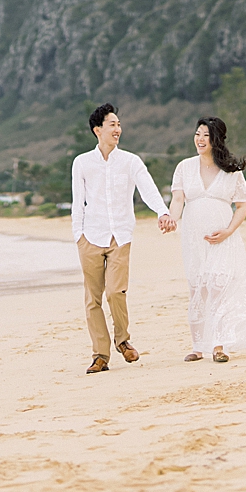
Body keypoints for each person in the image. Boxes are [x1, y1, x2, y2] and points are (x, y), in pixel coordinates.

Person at [71, 102, 176, 374]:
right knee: (92, 299)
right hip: (90, 237)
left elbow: (148, 190)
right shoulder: (82, 162)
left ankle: (123, 340)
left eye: (118, 124)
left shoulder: (131, 161)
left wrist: (163, 212)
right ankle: (100, 355)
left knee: (115, 291)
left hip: (121, 236)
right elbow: (77, 202)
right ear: (98, 130)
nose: (118, 129)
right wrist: (78, 236)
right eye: (112, 125)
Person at [167, 116, 246, 363]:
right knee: (197, 288)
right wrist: (171, 219)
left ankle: (218, 346)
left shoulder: (231, 172)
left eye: (205, 135)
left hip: (223, 238)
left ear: (216, 139)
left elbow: (242, 207)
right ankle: (198, 347)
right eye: (197, 134)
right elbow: (178, 200)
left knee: (218, 287)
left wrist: (228, 231)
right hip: (194, 238)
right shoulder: (184, 167)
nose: (200, 139)